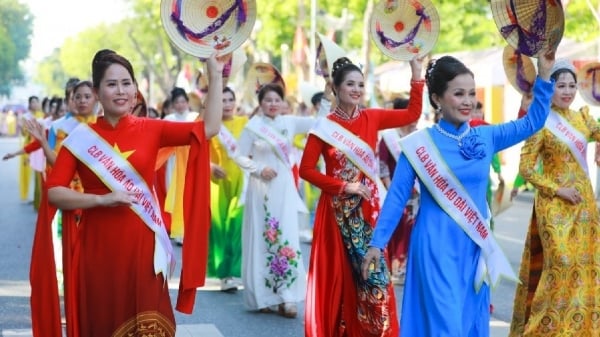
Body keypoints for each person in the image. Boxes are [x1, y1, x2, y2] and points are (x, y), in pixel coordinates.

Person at [361, 48, 556, 337]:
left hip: (474, 246)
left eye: (470, 93)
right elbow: (397, 197)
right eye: (458, 94)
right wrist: (377, 244)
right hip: (434, 246)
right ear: (437, 99)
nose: (467, 101)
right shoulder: (418, 145)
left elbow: (533, 122)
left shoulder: (485, 136)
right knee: (446, 326)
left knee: (467, 323)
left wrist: (544, 75)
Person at [45, 50, 224, 336]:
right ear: (96, 92)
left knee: (147, 318)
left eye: (127, 83)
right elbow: (54, 192)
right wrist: (101, 200)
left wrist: (215, 75)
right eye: (112, 84)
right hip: (97, 247)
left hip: (144, 244)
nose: (121, 91)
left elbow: (209, 128)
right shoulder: (80, 139)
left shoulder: (152, 129)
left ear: (135, 89)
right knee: (103, 316)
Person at [299, 56, 424, 337]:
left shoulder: (372, 117)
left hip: (367, 211)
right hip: (336, 211)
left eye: (360, 85)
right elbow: (306, 170)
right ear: (336, 88)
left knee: (373, 276)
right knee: (339, 277)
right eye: (350, 84)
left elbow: (411, 114)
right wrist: (344, 187)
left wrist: (416, 73)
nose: (356, 89)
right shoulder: (323, 127)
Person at [508, 58, 600, 336]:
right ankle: (543, 329)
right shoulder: (540, 120)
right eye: (561, 85)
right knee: (559, 264)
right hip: (554, 205)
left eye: (572, 85)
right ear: (551, 88)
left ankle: (578, 328)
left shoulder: (583, 117)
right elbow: (525, 168)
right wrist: (557, 189)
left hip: (583, 205)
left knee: (584, 265)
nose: (568, 91)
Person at [234, 83, 314, 318]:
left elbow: (319, 121)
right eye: (268, 100)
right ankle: (264, 296)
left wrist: (328, 93)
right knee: (262, 238)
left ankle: (287, 297)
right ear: (260, 103)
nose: (272, 104)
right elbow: (239, 155)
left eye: (276, 99)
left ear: (283, 102)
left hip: (285, 189)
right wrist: (258, 168)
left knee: (287, 235)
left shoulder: (290, 122)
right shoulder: (253, 127)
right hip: (261, 190)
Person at [207, 86, 247, 292]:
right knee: (221, 227)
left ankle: (235, 269)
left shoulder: (245, 122)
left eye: (230, 99)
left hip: (242, 181)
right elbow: (196, 153)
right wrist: (210, 166)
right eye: (222, 100)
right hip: (218, 182)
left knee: (237, 224)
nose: (227, 104)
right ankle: (224, 274)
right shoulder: (210, 127)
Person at [378, 96, 420, 285]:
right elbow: (383, 164)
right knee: (397, 227)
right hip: (395, 191)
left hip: (416, 193)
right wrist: (389, 188)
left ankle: (406, 268)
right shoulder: (389, 137)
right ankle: (394, 267)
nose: (414, 120)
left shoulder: (420, 136)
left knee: (412, 228)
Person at [163, 87, 200, 245]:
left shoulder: (194, 117)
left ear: (188, 102)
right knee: (177, 194)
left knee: (191, 194)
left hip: (191, 160)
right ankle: (179, 234)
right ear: (173, 104)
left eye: (183, 101)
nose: (180, 105)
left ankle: (193, 231)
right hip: (174, 162)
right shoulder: (168, 119)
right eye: (177, 102)